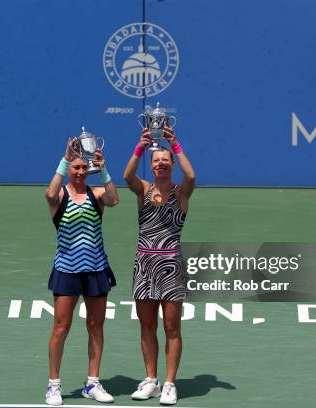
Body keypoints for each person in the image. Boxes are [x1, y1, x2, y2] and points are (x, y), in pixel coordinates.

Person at [123, 125, 195, 405]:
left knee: (172, 327)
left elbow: (192, 175)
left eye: (165, 160)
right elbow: (127, 175)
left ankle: (169, 384)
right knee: (146, 326)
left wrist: (175, 144)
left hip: (171, 267)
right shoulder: (143, 189)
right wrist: (139, 147)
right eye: (156, 161)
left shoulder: (182, 194)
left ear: (171, 164)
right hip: (144, 266)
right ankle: (151, 379)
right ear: (151, 166)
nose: (161, 164)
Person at [44, 139, 119, 406]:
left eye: (83, 168)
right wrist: (65, 159)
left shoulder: (96, 194)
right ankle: (54, 385)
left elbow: (114, 199)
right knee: (61, 327)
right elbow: (49, 195)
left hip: (96, 269)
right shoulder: (61, 195)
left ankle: (93, 383)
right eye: (75, 167)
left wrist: (104, 169)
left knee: (96, 326)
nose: (79, 172)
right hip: (67, 270)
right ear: (69, 168)